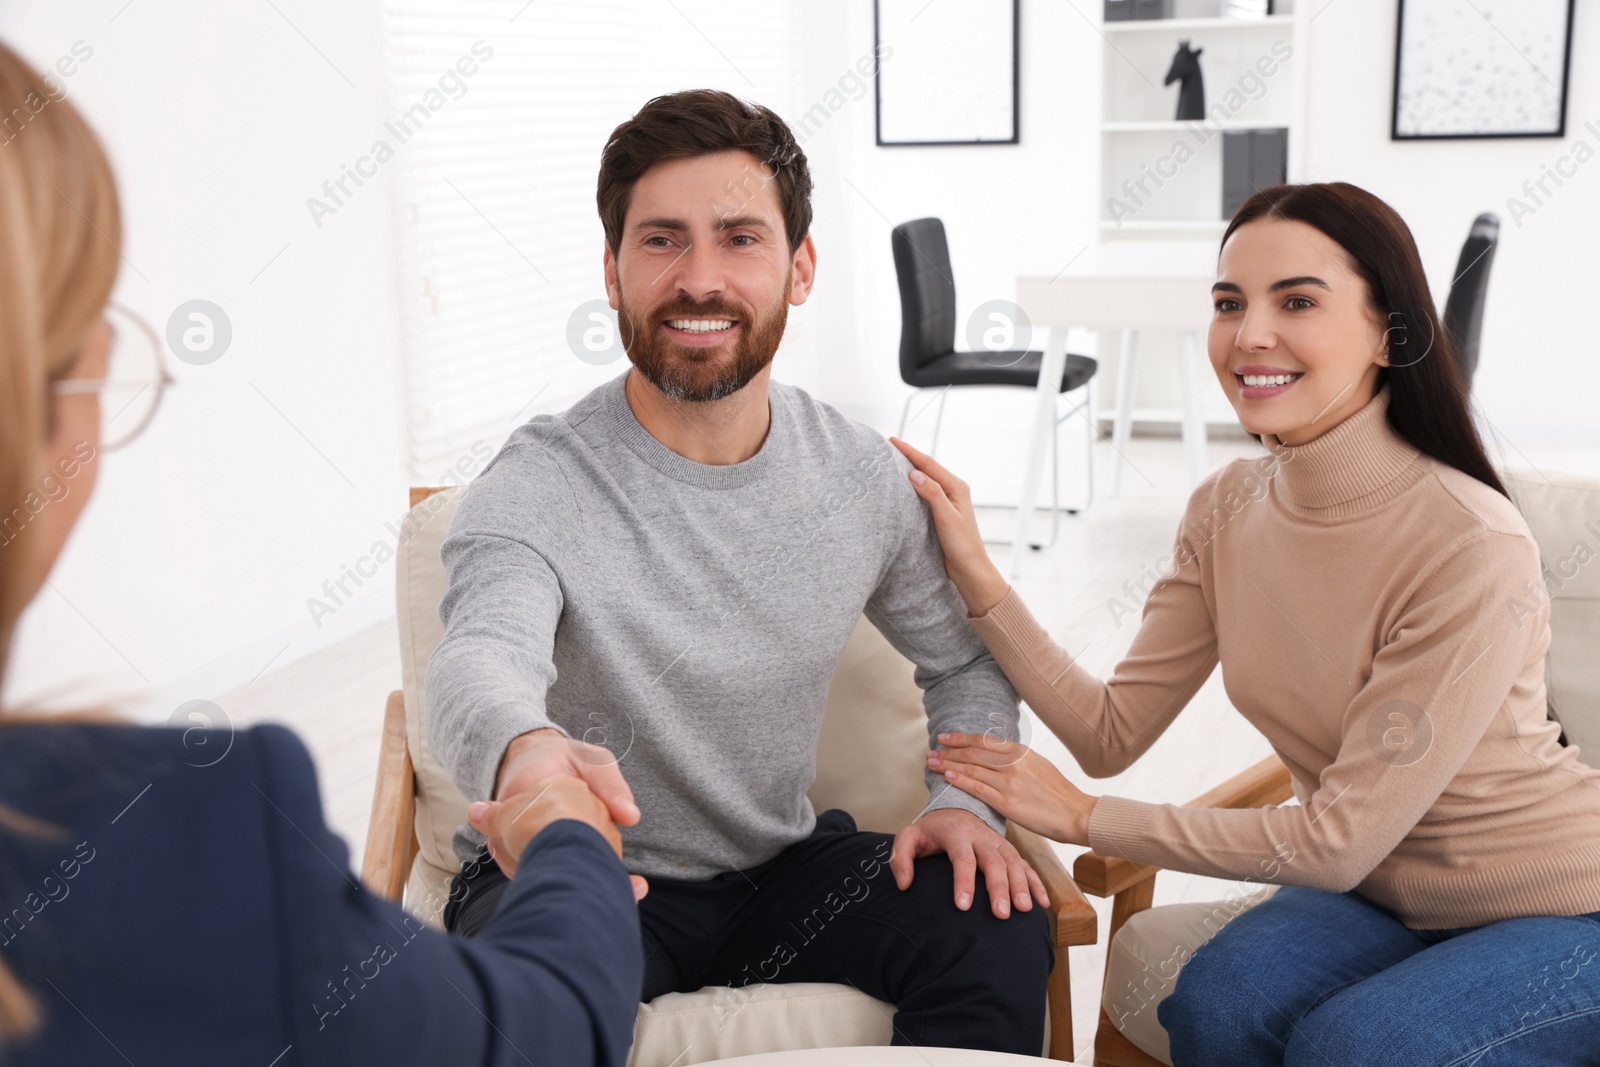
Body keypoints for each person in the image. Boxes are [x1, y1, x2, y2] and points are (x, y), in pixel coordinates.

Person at [0, 38, 643, 1066]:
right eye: (92, 339)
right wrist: (564, 820)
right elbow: (545, 1029)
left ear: (800, 265)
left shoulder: (860, 471)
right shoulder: (164, 849)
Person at [894, 182, 1600, 1064]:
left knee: (1362, 1044)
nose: (1249, 335)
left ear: (1389, 332)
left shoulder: (1471, 543)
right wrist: (977, 570)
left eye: (1296, 301)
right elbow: (1109, 730)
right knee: (1219, 1004)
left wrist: (1087, 818)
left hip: (1563, 905)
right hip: (1379, 896)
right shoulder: (1228, 506)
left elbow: (1334, 841)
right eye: (1229, 303)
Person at [428, 89, 1053, 1053]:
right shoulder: (541, 479)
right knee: (537, 990)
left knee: (994, 916)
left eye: (739, 238)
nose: (700, 279)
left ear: (801, 268)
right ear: (613, 270)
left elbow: (965, 664)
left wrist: (965, 806)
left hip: (778, 870)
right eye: (663, 240)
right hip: (580, 869)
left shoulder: (860, 477)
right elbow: (481, 658)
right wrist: (533, 759)